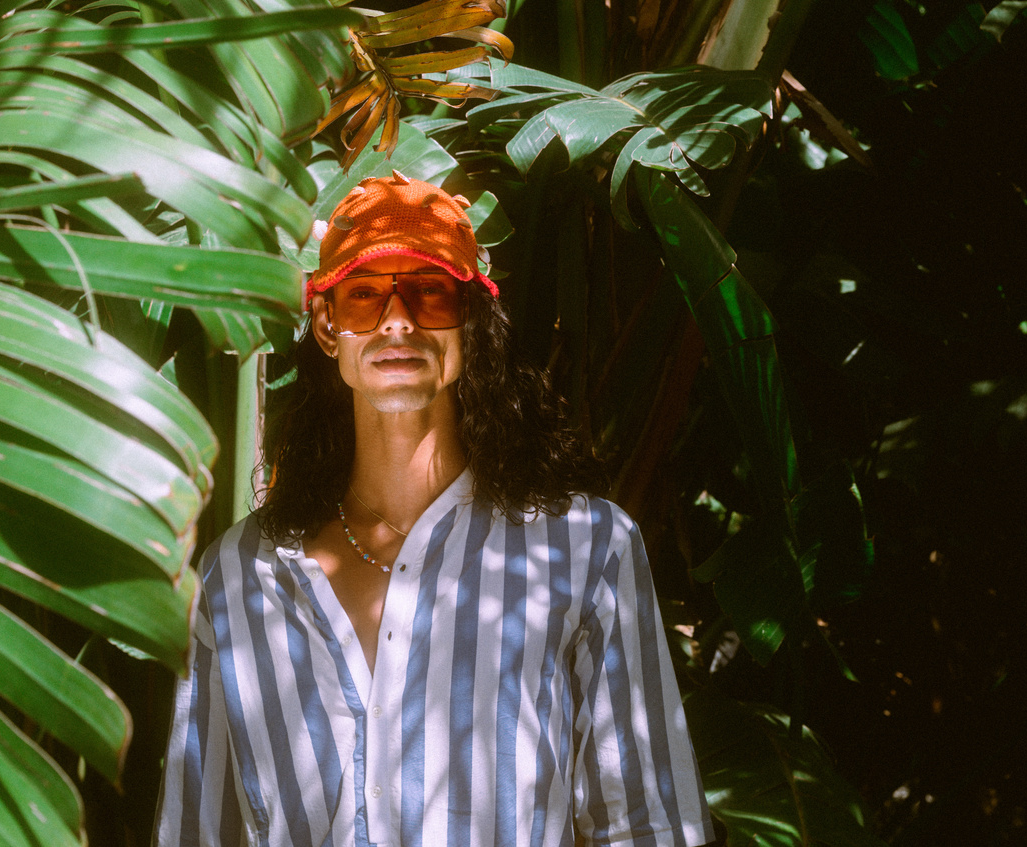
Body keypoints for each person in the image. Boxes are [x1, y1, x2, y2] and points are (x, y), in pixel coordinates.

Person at [155, 172, 715, 847]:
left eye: (429, 292)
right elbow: (195, 834)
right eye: (365, 297)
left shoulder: (584, 549)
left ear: (470, 320)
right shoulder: (239, 576)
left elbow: (649, 826)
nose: (398, 319)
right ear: (328, 329)